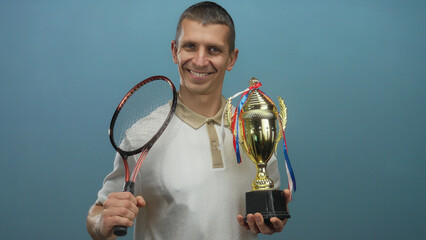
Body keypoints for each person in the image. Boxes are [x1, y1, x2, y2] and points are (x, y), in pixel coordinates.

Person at [87, 2, 291, 239]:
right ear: (175, 51)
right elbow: (98, 212)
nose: (200, 60)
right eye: (191, 46)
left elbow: (267, 211)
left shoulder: (254, 129)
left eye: (214, 50)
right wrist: (102, 223)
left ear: (231, 59)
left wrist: (271, 221)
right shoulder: (142, 137)